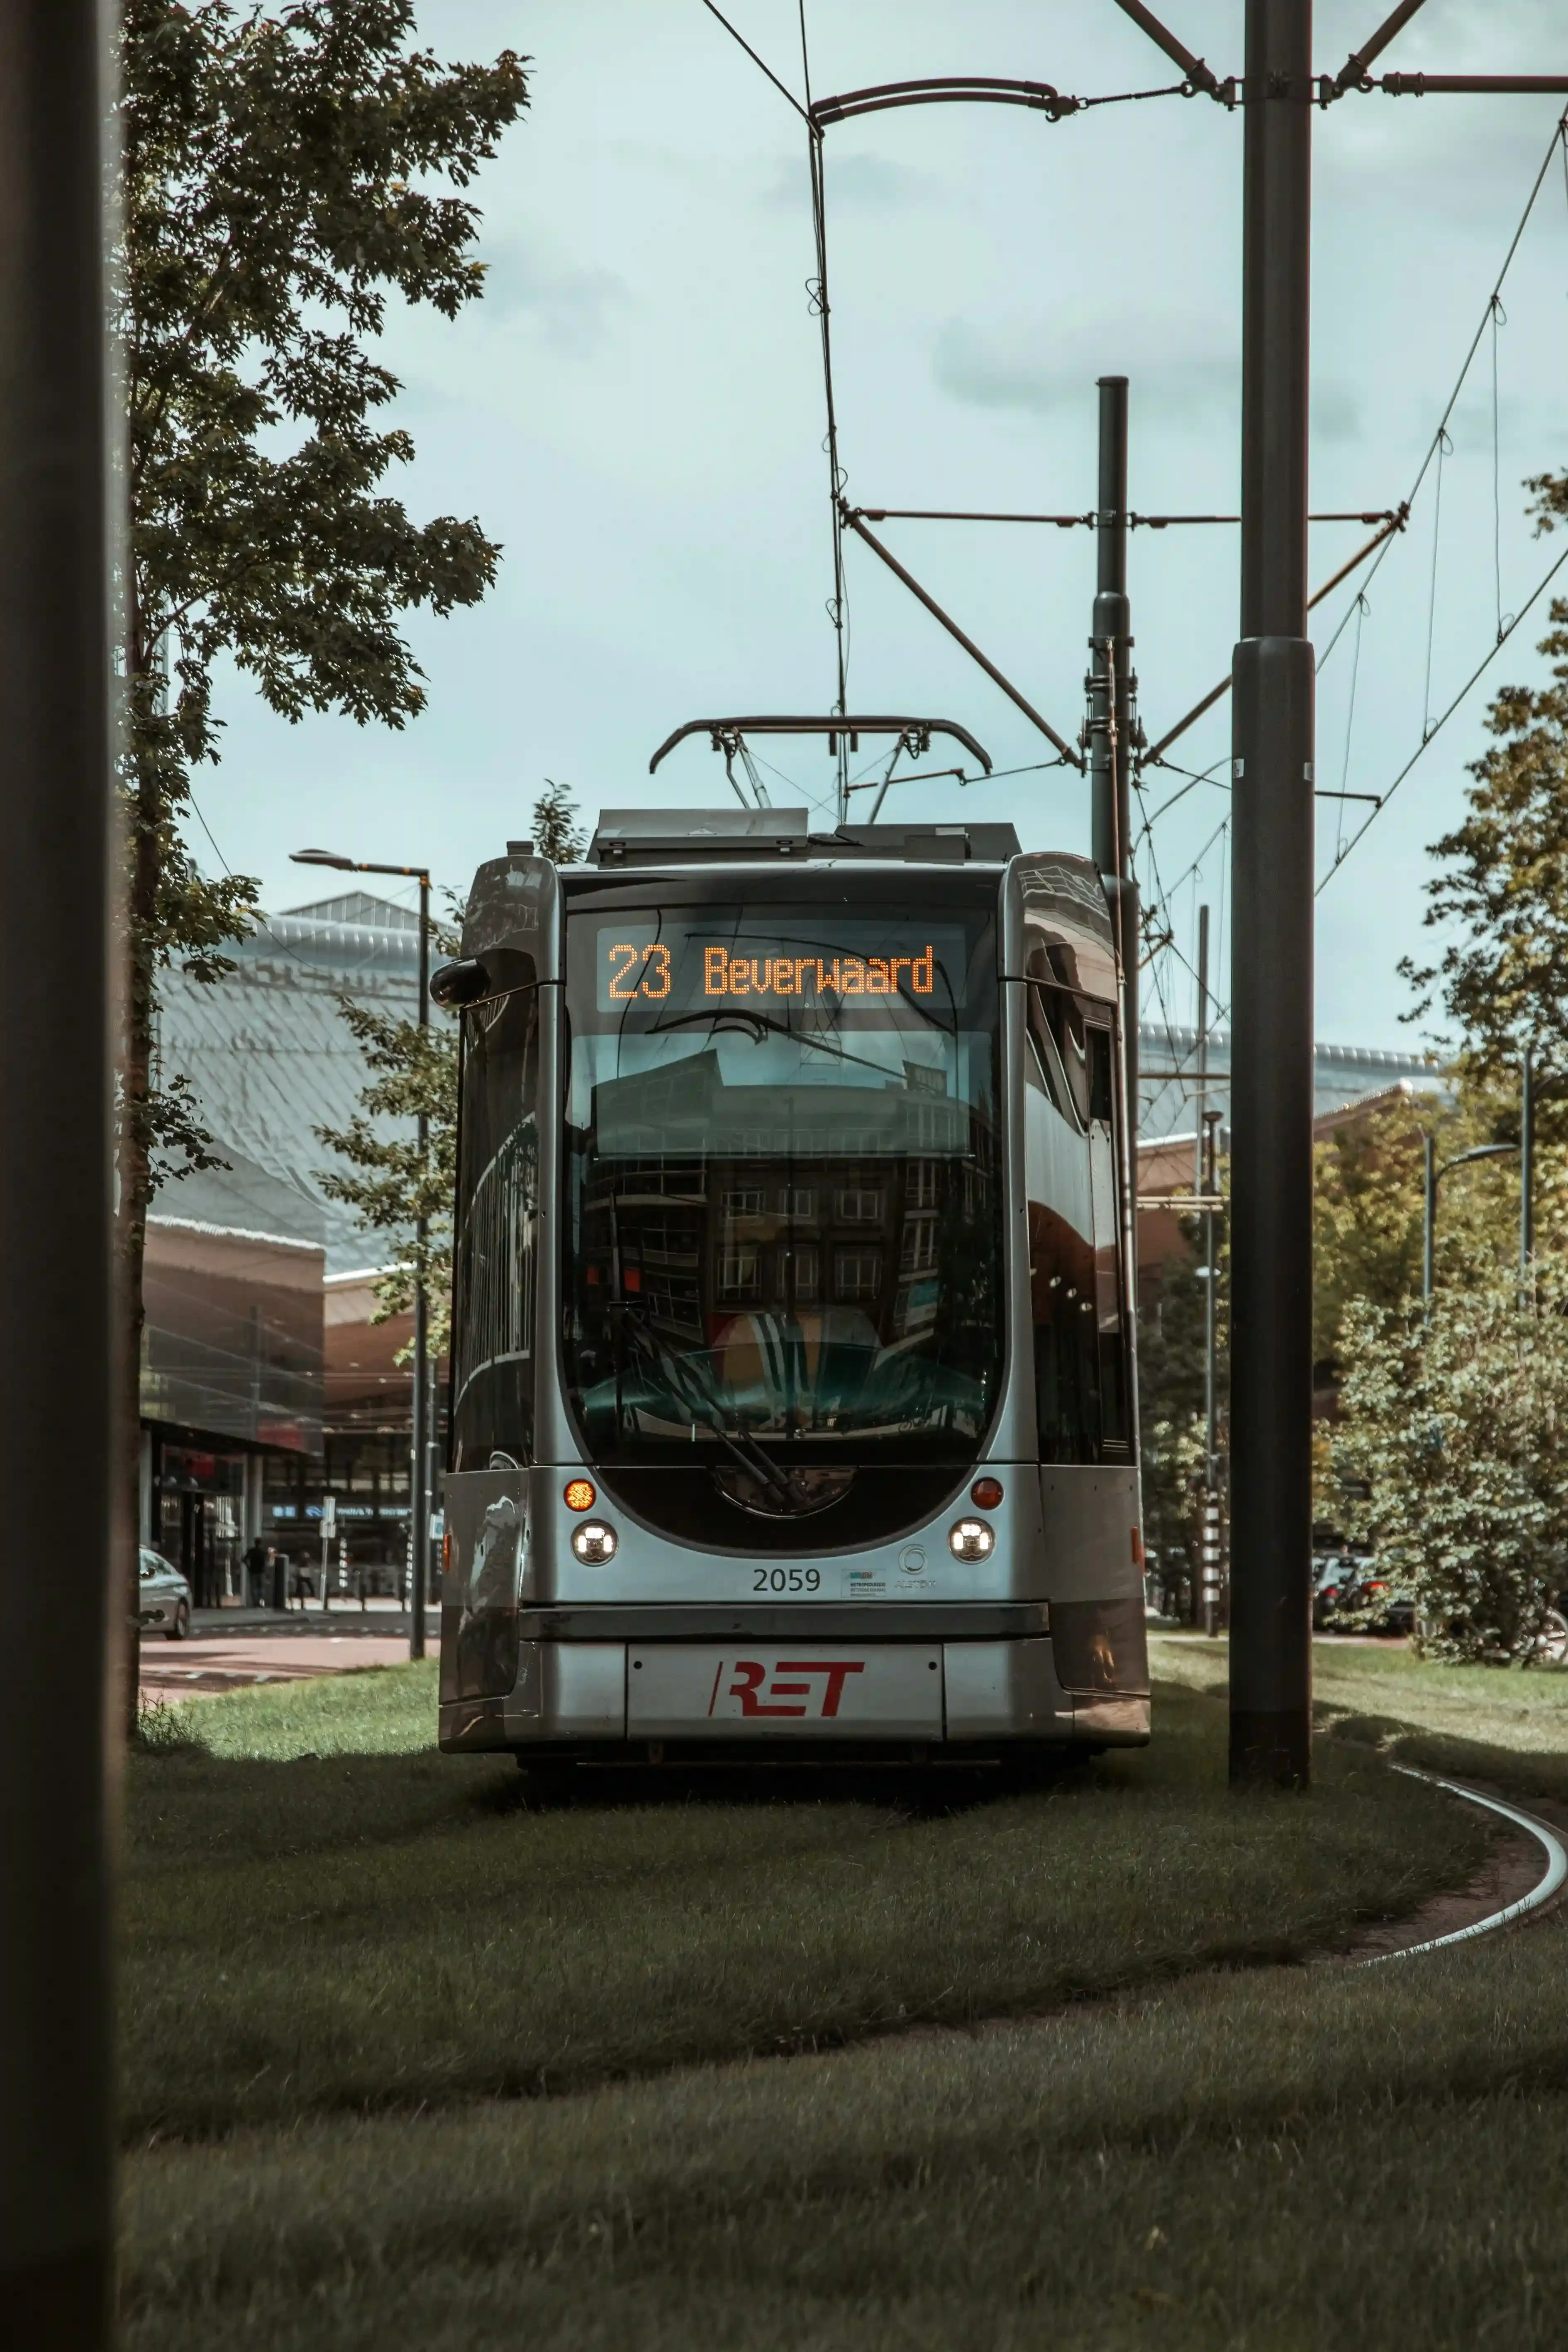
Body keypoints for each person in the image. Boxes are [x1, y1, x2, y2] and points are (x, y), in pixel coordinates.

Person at [243, 1537, 268, 1609]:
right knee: (260, 1588)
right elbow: (266, 1562)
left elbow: (244, 1559)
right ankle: (258, 1602)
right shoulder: (262, 1552)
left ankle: (256, 1602)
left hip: (254, 1572)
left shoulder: (253, 1551)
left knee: (255, 1588)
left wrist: (249, 1568)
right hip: (260, 1572)